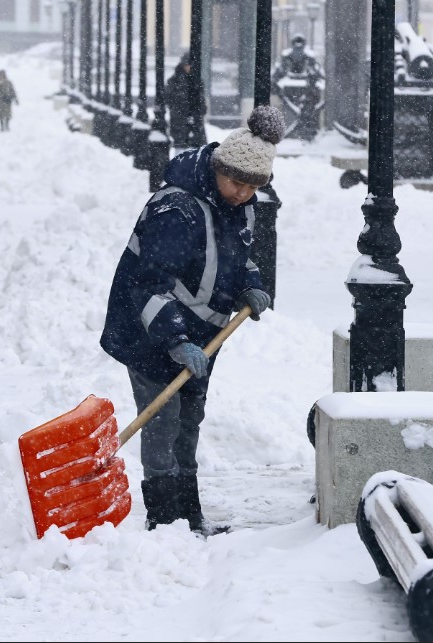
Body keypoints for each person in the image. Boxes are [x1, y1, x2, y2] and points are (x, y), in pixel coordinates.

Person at [99, 106, 285, 537]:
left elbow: (236, 259)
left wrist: (251, 285)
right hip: (149, 332)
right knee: (162, 421)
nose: (243, 194)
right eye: (236, 183)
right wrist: (176, 340)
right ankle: (164, 520)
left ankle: (189, 516)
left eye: (253, 186)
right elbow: (148, 284)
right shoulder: (176, 209)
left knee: (189, 421)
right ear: (219, 169)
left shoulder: (239, 205)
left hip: (202, 337)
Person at [165, 53, 207, 151]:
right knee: (181, 147)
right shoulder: (175, 80)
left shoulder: (196, 80)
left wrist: (200, 109)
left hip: (193, 118)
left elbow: (201, 99)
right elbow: (169, 99)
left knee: (197, 148)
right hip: (180, 119)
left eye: (190, 65)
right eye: (187, 64)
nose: (189, 67)